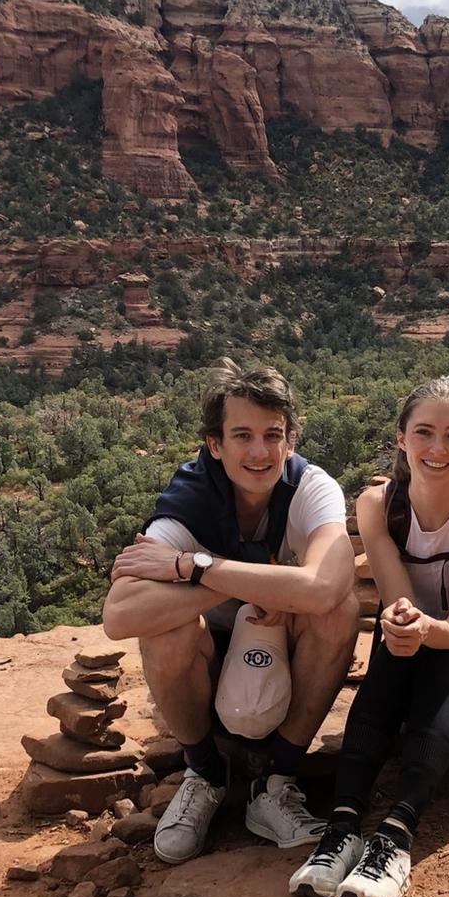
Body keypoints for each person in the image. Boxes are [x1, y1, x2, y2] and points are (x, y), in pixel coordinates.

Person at [291, 377, 449, 897]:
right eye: (424, 432)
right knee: (396, 649)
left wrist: (420, 629)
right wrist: (403, 622)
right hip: (423, 660)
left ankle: (396, 837)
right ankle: (342, 829)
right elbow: (398, 603)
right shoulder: (378, 505)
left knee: (444, 656)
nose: (437, 448)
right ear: (401, 438)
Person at [102, 359, 358, 865]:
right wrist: (263, 586)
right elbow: (121, 615)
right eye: (242, 436)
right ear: (215, 445)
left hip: (284, 653)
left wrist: (192, 567)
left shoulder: (311, 488)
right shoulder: (191, 498)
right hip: (212, 665)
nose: (259, 452)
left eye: (273, 435)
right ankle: (205, 773)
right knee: (166, 627)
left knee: (339, 611)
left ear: (291, 441)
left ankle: (276, 781)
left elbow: (328, 587)